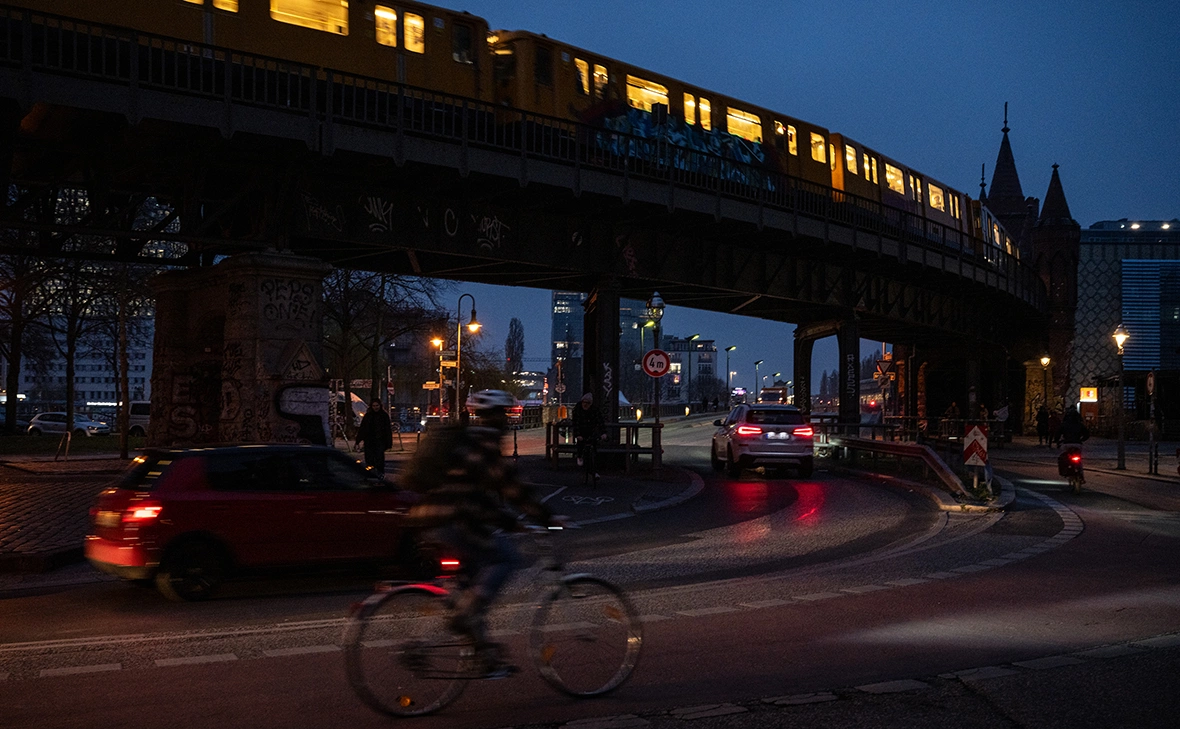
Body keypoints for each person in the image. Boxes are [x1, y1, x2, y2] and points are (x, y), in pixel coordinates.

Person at [403, 389, 558, 676]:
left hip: (429, 518)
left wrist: (509, 521)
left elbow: (475, 493)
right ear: (497, 416)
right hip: (454, 520)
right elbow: (510, 487)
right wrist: (547, 516)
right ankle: (465, 619)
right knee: (506, 558)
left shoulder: (466, 441)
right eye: (505, 415)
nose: (507, 421)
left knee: (473, 589)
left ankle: (483, 656)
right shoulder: (484, 444)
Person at [354, 399, 392, 479]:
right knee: (369, 459)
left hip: (379, 441)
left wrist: (388, 443)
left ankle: (379, 473)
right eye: (374, 406)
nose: (375, 408)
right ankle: (371, 474)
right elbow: (363, 429)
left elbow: (388, 430)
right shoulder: (368, 416)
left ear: (380, 406)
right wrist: (358, 440)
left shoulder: (383, 416)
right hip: (369, 441)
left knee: (379, 459)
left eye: (377, 406)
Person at [572, 392, 605, 480]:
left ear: (590, 404)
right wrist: (577, 434)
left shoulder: (595, 411)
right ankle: (579, 456)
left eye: (587, 403)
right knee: (581, 444)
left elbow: (600, 421)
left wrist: (603, 433)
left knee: (594, 450)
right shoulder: (578, 411)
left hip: (591, 431)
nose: (585, 405)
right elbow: (575, 423)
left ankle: (594, 471)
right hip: (581, 431)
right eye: (584, 402)